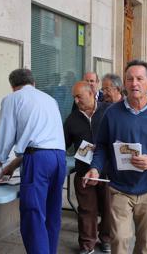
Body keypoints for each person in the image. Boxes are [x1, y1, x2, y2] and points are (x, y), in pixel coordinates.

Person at [83, 60, 147, 254]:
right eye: (130, 79)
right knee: (119, 240)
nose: (134, 83)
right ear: (125, 83)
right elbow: (101, 146)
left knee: (144, 244)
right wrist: (95, 168)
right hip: (120, 189)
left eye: (139, 79)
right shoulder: (112, 113)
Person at [0, 69, 66, 254]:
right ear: (34, 83)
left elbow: (6, 134)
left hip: (38, 160)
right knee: (51, 213)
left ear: (13, 86)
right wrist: (13, 165)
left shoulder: (13, 99)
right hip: (59, 157)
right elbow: (42, 136)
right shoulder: (50, 100)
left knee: (33, 215)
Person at [64, 81, 111, 254]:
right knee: (86, 210)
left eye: (79, 97)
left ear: (91, 93)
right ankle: (87, 244)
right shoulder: (72, 119)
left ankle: (106, 238)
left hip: (106, 171)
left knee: (109, 208)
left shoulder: (109, 111)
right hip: (83, 171)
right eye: (74, 97)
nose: (76, 101)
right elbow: (63, 143)